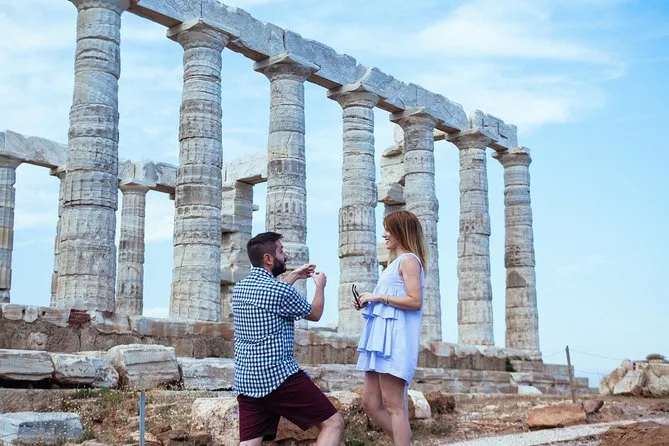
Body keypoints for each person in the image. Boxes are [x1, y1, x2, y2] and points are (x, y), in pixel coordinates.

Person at [232, 232, 344, 446]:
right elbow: (315, 313)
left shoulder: (240, 289)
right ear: (268, 258)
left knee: (249, 443)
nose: (286, 256)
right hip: (278, 377)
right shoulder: (280, 292)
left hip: (246, 380)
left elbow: (271, 296)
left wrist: (293, 275)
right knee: (333, 423)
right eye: (281, 251)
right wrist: (320, 286)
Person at [353, 210, 426, 446]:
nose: (384, 234)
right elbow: (391, 299)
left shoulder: (409, 260)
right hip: (379, 341)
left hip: (394, 340)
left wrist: (379, 297)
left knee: (395, 407)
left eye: (388, 229)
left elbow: (415, 301)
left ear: (400, 231)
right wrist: (369, 301)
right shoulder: (394, 263)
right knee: (370, 403)